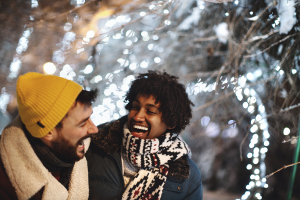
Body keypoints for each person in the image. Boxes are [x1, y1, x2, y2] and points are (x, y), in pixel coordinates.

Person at [86, 70, 203, 200]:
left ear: (170, 121)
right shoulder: (95, 145)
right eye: (135, 107)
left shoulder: (187, 174)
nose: (137, 116)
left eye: (150, 111)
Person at [0, 72, 99, 200]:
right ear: (48, 132)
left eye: (90, 117)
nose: (95, 129)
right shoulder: (5, 185)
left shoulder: (81, 154)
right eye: (83, 123)